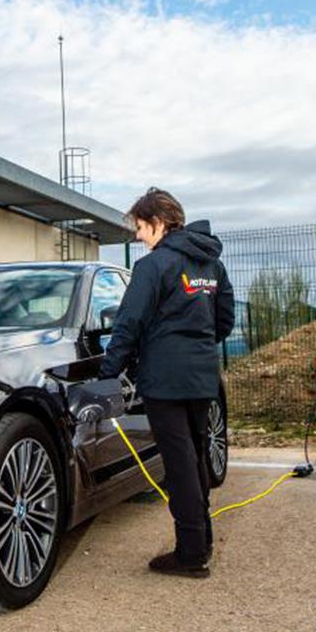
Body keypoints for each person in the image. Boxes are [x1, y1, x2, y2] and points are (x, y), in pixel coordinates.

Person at [98, 188, 234, 579]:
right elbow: (223, 322)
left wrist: (109, 371)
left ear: (158, 222)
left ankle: (191, 555)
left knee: (179, 466)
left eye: (140, 227)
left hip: (165, 380)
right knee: (194, 459)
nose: (138, 236)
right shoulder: (211, 266)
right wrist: (195, 345)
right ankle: (201, 541)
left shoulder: (154, 266)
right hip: (202, 376)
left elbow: (129, 323)